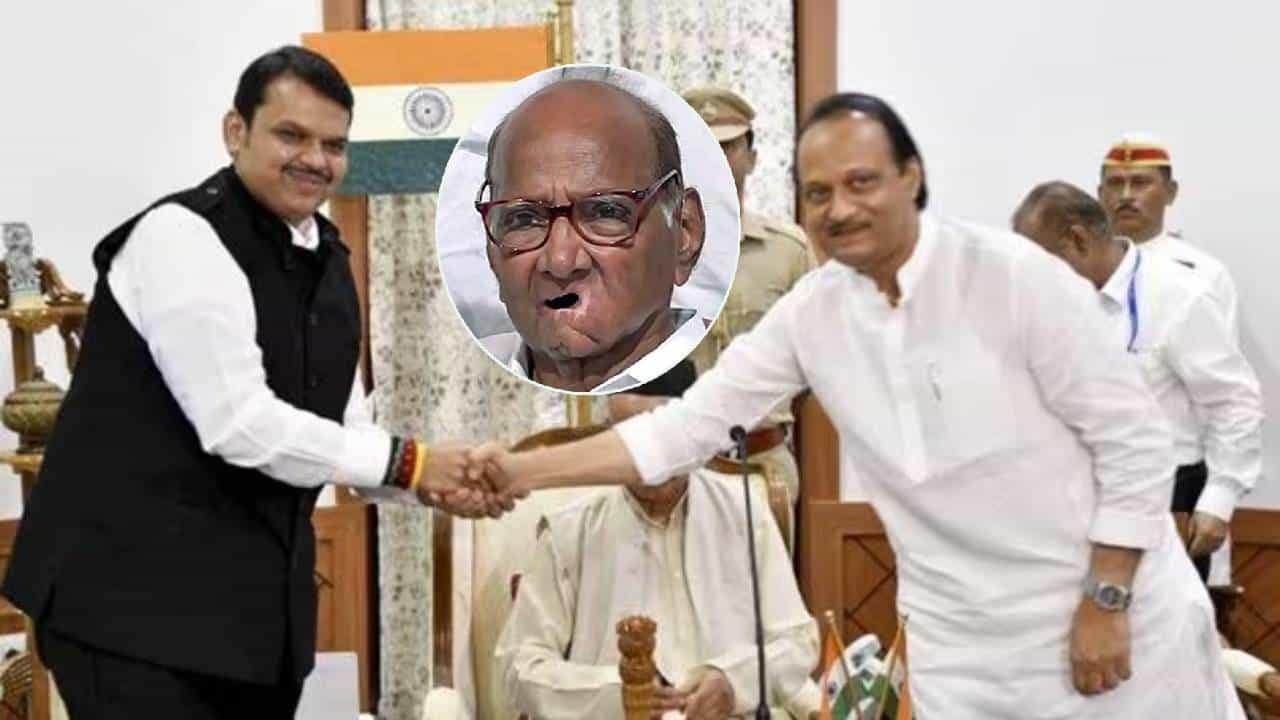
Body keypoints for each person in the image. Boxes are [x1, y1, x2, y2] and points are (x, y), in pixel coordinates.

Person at [469, 93, 1245, 718]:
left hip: (1113, 634)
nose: (839, 208)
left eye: (861, 183)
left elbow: (1137, 442)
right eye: (818, 193)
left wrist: (1107, 600)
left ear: (911, 177)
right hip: (966, 660)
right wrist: (515, 471)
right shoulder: (814, 315)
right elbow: (683, 428)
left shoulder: (1012, 277)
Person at [1, 46, 501, 719]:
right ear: (236, 131)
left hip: (254, 626)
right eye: (291, 135)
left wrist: (435, 483)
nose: (315, 159)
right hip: (129, 611)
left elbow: (342, 433)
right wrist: (414, 463)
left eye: (334, 145)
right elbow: (238, 423)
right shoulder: (179, 237)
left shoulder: (329, 260)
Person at [494, 360, 821, 719]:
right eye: (630, 439)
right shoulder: (569, 531)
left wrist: (733, 683)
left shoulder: (744, 512)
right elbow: (519, 668)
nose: (646, 457)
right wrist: (618, 694)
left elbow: (797, 643)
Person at [1013, 181, 1263, 582]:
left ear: (1077, 240)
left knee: (1158, 622)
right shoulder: (1053, 301)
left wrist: (1221, 497)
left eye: (1042, 263)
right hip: (1072, 506)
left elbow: (1234, 401)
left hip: (1163, 502)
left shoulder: (1178, 296)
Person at [475, 78, 709, 393]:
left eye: (605, 212)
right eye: (524, 219)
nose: (560, 261)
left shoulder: (728, 371)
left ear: (685, 233)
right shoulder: (471, 380)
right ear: (492, 253)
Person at [678, 85, 812, 503]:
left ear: (752, 157)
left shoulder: (787, 251)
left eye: (728, 146)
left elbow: (815, 359)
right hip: (677, 466)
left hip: (763, 462)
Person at [1098, 133, 1240, 334]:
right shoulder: (1077, 270)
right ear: (1100, 194)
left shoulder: (1205, 273)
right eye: (1115, 183)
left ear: (1170, 192)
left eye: (1140, 183)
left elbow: (1221, 351)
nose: (1126, 195)